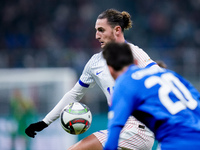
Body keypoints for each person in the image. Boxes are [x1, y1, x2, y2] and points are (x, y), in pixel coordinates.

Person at [25, 9, 159, 150]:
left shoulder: (134, 53)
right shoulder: (95, 62)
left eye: (101, 30)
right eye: (96, 30)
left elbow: (161, 78)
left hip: (136, 129)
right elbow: (74, 94)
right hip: (121, 129)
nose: (96, 36)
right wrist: (45, 122)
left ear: (117, 30)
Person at [102, 42, 200, 150]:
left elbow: (114, 131)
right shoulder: (169, 74)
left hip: (178, 142)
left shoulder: (125, 83)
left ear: (110, 70)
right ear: (135, 62)